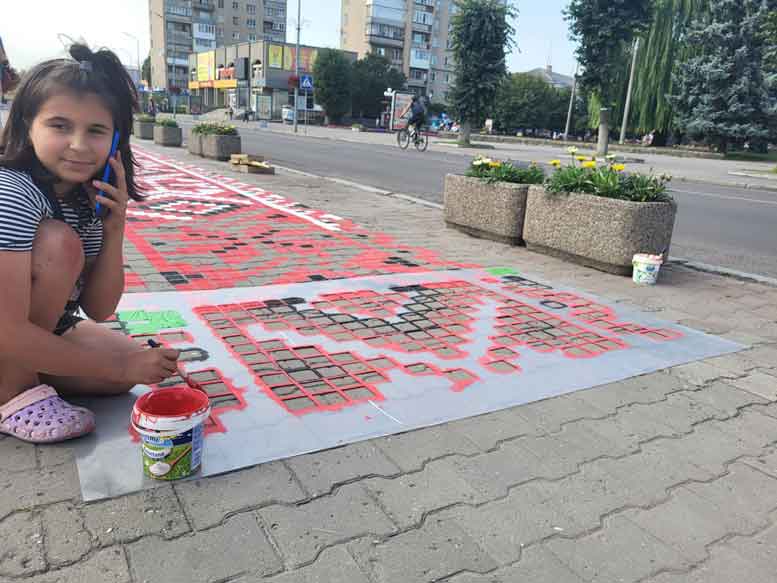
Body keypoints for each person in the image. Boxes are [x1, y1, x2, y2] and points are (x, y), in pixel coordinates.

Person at [0, 44, 181, 444]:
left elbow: (99, 309)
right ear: (28, 125)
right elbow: (5, 329)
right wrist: (118, 368)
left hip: (39, 325)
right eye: (60, 126)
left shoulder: (86, 198)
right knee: (59, 245)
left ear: (115, 140)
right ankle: (12, 390)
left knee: (125, 369)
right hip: (4, 328)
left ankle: (28, 364)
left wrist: (115, 229)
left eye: (96, 131)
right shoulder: (11, 191)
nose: (79, 145)